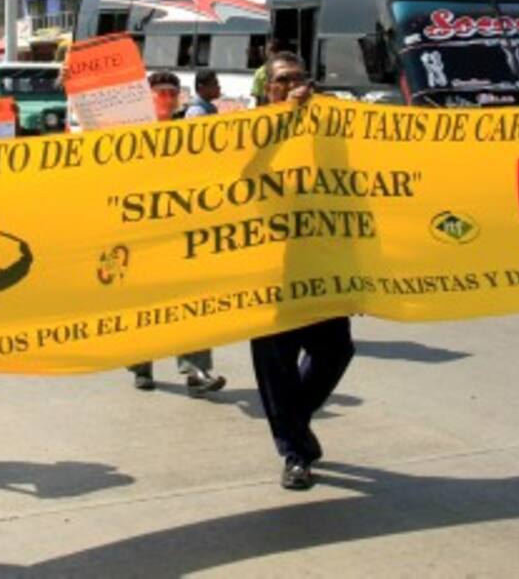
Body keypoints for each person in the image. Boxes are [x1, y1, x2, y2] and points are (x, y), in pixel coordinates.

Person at [250, 51, 355, 490]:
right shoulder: (245, 130)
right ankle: (295, 453)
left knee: (336, 350)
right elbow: (247, 170)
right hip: (268, 267)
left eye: (301, 78)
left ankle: (294, 420)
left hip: (319, 263)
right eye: (284, 80)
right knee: (277, 364)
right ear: (266, 90)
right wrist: (288, 119)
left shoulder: (327, 127)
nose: (296, 86)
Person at [128, 70, 227, 397]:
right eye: (161, 93)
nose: (167, 98)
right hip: (142, 234)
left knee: (193, 303)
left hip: (183, 233)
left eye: (173, 93)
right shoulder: (130, 135)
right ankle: (141, 365)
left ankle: (197, 372)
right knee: (145, 306)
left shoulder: (189, 133)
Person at [251, 39, 287, 103]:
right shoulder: (260, 72)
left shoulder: (288, 71)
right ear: (266, 52)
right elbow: (257, 97)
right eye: (271, 50)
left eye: (276, 50)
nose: (273, 54)